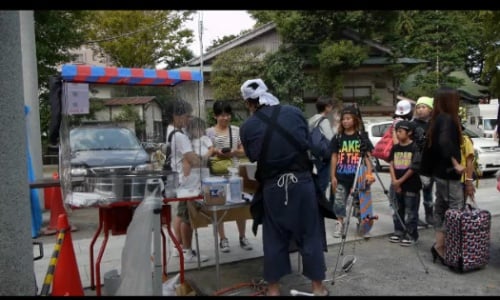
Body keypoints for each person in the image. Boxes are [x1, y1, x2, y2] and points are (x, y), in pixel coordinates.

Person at [239, 78, 329, 296]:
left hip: (273, 187)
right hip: (303, 182)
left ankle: (273, 290)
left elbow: (253, 156)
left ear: (249, 103)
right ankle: (318, 288)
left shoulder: (247, 127)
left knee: (274, 236)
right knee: (310, 233)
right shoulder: (294, 112)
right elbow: (306, 142)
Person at [424, 87, 465, 265]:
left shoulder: (437, 119)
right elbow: (444, 142)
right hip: (448, 173)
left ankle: (440, 246)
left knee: (441, 208)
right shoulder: (448, 119)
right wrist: (456, 163)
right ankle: (453, 248)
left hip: (438, 173)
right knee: (455, 210)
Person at [206, 100, 253, 253]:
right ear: (215, 116)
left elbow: (245, 151)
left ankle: (242, 236)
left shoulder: (236, 130)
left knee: (240, 205)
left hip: (235, 172)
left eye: (227, 115)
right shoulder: (209, 132)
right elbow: (208, 151)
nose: (225, 118)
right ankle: (223, 239)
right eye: (221, 115)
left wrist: (232, 152)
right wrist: (216, 152)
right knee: (219, 205)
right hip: (217, 174)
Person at [166, 99, 209, 264]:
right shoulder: (179, 136)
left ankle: (180, 247)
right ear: (176, 116)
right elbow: (192, 160)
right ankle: (187, 252)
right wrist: (205, 157)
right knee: (187, 217)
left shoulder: (170, 130)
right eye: (186, 115)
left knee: (179, 214)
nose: (189, 119)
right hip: (186, 182)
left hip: (178, 180)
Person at [330, 106, 375, 238]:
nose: (345, 121)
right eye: (343, 119)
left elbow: (367, 157)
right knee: (339, 201)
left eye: (348, 118)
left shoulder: (361, 136)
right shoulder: (338, 137)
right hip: (341, 176)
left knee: (361, 202)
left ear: (355, 120)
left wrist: (369, 173)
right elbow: (334, 157)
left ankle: (363, 224)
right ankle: (339, 223)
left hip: (359, 176)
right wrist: (332, 176)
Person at [387, 120, 422, 246]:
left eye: (400, 131)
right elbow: (391, 163)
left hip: (411, 185)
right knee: (397, 209)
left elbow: (414, 167)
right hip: (396, 183)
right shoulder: (395, 148)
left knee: (410, 211)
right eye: (396, 131)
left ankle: (411, 234)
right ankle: (398, 231)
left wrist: (400, 181)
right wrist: (394, 181)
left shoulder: (415, 147)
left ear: (410, 132)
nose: (397, 133)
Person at [308, 96, 335, 211]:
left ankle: (318, 204)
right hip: (324, 155)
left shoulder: (312, 119)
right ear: (326, 107)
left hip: (314, 155)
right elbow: (331, 138)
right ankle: (317, 206)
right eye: (330, 106)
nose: (331, 108)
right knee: (323, 182)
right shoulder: (324, 120)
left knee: (318, 180)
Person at [410, 96, 434, 226]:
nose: (420, 110)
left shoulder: (434, 124)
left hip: (430, 163)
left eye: (423, 107)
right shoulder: (412, 124)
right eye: (418, 107)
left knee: (428, 191)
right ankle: (414, 216)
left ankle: (429, 215)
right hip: (415, 163)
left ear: (430, 109)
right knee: (414, 192)